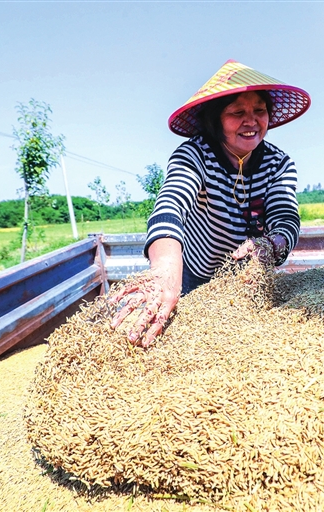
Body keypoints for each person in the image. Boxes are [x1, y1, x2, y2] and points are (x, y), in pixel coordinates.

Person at [110, 59, 311, 347]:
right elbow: (170, 206)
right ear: (216, 119)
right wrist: (165, 271)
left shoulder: (279, 163)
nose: (251, 121)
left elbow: (285, 217)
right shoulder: (194, 156)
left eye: (259, 110)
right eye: (237, 112)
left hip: (247, 280)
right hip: (192, 276)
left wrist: (273, 244)